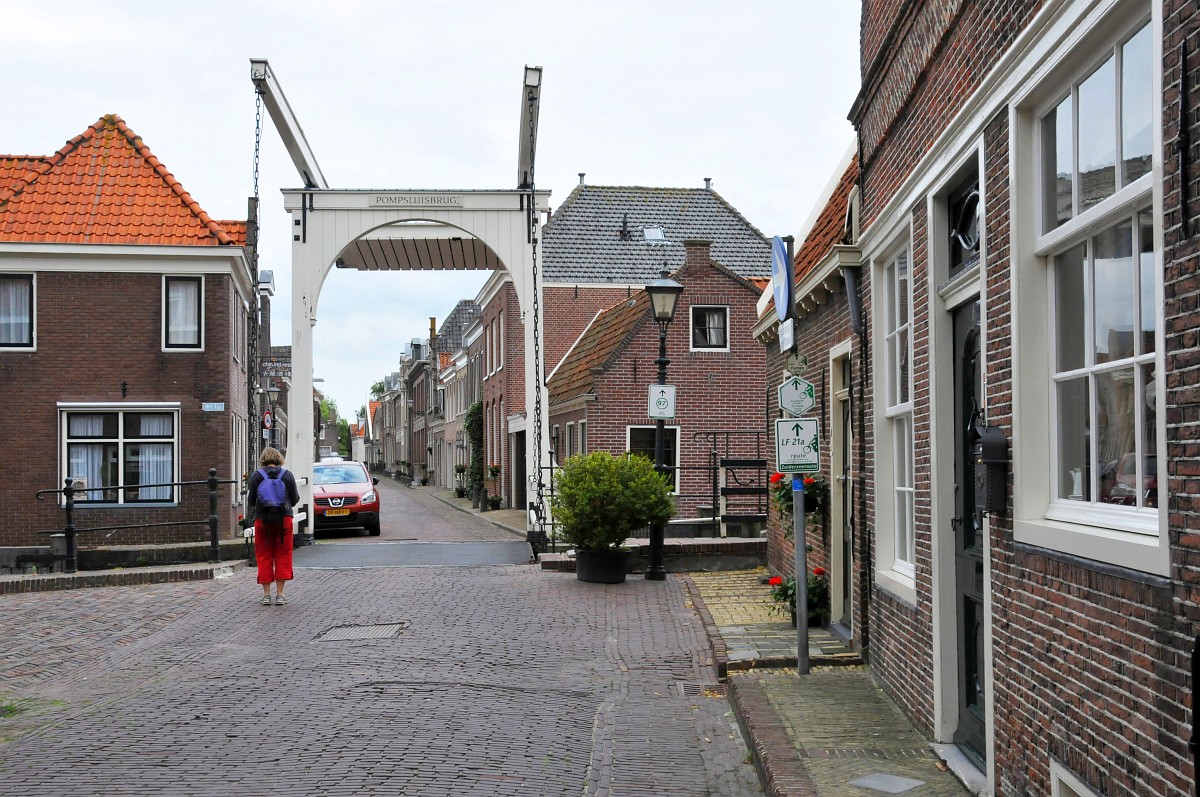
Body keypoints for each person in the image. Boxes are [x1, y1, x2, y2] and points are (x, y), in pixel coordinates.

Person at [247, 447, 300, 606]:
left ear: (263, 459)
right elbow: (294, 499)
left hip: (262, 520)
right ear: (279, 459)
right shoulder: (287, 475)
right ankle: (280, 594)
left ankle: (266, 595)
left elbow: (251, 501)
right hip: (284, 520)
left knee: (264, 555)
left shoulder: (256, 476)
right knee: (283, 554)